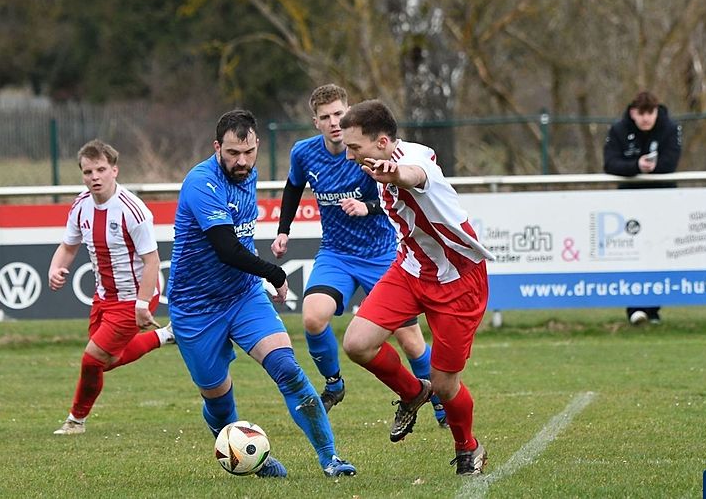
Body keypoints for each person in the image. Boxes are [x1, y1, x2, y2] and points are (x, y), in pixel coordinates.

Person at [166, 109, 356, 478]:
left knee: (287, 367)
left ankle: (330, 458)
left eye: (249, 152)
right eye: (234, 153)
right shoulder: (201, 183)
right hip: (195, 308)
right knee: (219, 401)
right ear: (217, 147)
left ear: (257, 147)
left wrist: (259, 275)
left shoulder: (247, 174)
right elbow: (225, 248)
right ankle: (254, 460)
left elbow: (241, 240)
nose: (242, 161)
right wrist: (273, 272)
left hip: (242, 295)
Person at [271, 83, 447, 427]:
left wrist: (367, 207)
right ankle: (334, 384)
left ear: (348, 112)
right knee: (312, 317)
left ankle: (439, 401)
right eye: (326, 116)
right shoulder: (303, 153)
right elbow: (293, 187)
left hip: (381, 254)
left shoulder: (366, 151)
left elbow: (396, 195)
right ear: (315, 121)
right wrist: (283, 229)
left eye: (339, 113)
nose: (334, 121)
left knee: (410, 339)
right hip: (335, 253)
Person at [338, 100, 495, 476]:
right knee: (357, 343)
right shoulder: (395, 153)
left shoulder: (413, 164)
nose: (348, 155)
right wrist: (387, 169)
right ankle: (412, 392)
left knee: (445, 384)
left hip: (458, 280)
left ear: (382, 142)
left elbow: (415, 175)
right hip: (410, 269)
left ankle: (467, 448)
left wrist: (396, 172)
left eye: (354, 147)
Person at [48, 139, 175, 435]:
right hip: (103, 296)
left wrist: (142, 305)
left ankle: (75, 421)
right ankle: (166, 335)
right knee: (107, 360)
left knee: (92, 359)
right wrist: (55, 268)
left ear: (114, 170)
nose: (95, 177)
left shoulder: (133, 210)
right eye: (88, 171)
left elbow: (153, 261)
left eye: (101, 169)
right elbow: (68, 246)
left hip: (134, 297)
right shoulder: (80, 206)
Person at [603, 91, 682, 325]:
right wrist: (636, 166)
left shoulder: (669, 128)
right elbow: (610, 163)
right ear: (632, 113)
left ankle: (654, 309)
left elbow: (670, 162)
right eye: (642, 113)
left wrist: (651, 169)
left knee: (660, 252)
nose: (646, 118)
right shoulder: (618, 130)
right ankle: (635, 308)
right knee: (632, 253)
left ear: (657, 111)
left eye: (651, 113)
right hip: (629, 203)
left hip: (662, 200)